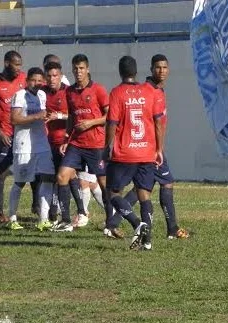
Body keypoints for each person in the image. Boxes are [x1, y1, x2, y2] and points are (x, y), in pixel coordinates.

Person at [122, 54, 189, 240]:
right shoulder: (149, 91)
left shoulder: (155, 90)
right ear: (151, 69)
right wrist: (158, 149)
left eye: (165, 67)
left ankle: (112, 220)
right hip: (150, 148)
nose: (162, 71)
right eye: (158, 67)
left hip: (149, 147)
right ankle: (172, 229)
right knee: (165, 183)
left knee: (143, 188)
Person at [103, 55, 165, 250]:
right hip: (146, 152)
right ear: (136, 72)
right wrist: (159, 149)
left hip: (125, 153)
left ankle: (137, 224)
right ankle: (147, 242)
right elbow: (158, 122)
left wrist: (108, 146)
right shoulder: (148, 91)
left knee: (112, 193)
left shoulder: (117, 92)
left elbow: (111, 123)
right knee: (144, 194)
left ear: (120, 72)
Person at [55, 53, 110, 232]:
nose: (78, 72)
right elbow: (71, 116)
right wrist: (66, 138)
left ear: (88, 69)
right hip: (76, 144)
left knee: (103, 183)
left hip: (96, 145)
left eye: (81, 68)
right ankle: (65, 219)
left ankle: (111, 220)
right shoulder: (69, 92)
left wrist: (91, 123)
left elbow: (110, 116)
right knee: (62, 176)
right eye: (75, 68)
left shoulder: (98, 90)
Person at [0, 50, 40, 222]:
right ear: (7, 63)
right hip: (6, 135)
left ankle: (36, 205)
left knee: (32, 169)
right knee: (2, 172)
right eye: (16, 64)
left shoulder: (24, 79)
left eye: (20, 65)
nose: (19, 68)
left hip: (23, 134)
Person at [7, 67, 55, 231]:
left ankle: (43, 219)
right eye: (33, 80)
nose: (36, 83)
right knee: (20, 183)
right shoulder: (20, 95)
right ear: (27, 81)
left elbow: (42, 116)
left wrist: (46, 117)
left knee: (48, 178)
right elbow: (14, 119)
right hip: (23, 146)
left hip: (41, 144)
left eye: (39, 80)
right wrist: (36, 116)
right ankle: (12, 218)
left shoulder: (42, 95)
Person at [42, 60, 88, 225]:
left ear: (61, 76)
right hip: (49, 142)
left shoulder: (68, 92)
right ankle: (57, 215)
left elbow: (75, 116)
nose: (52, 79)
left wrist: (58, 116)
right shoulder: (43, 92)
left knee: (68, 177)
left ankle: (77, 212)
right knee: (60, 178)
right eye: (49, 76)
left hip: (67, 142)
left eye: (55, 76)